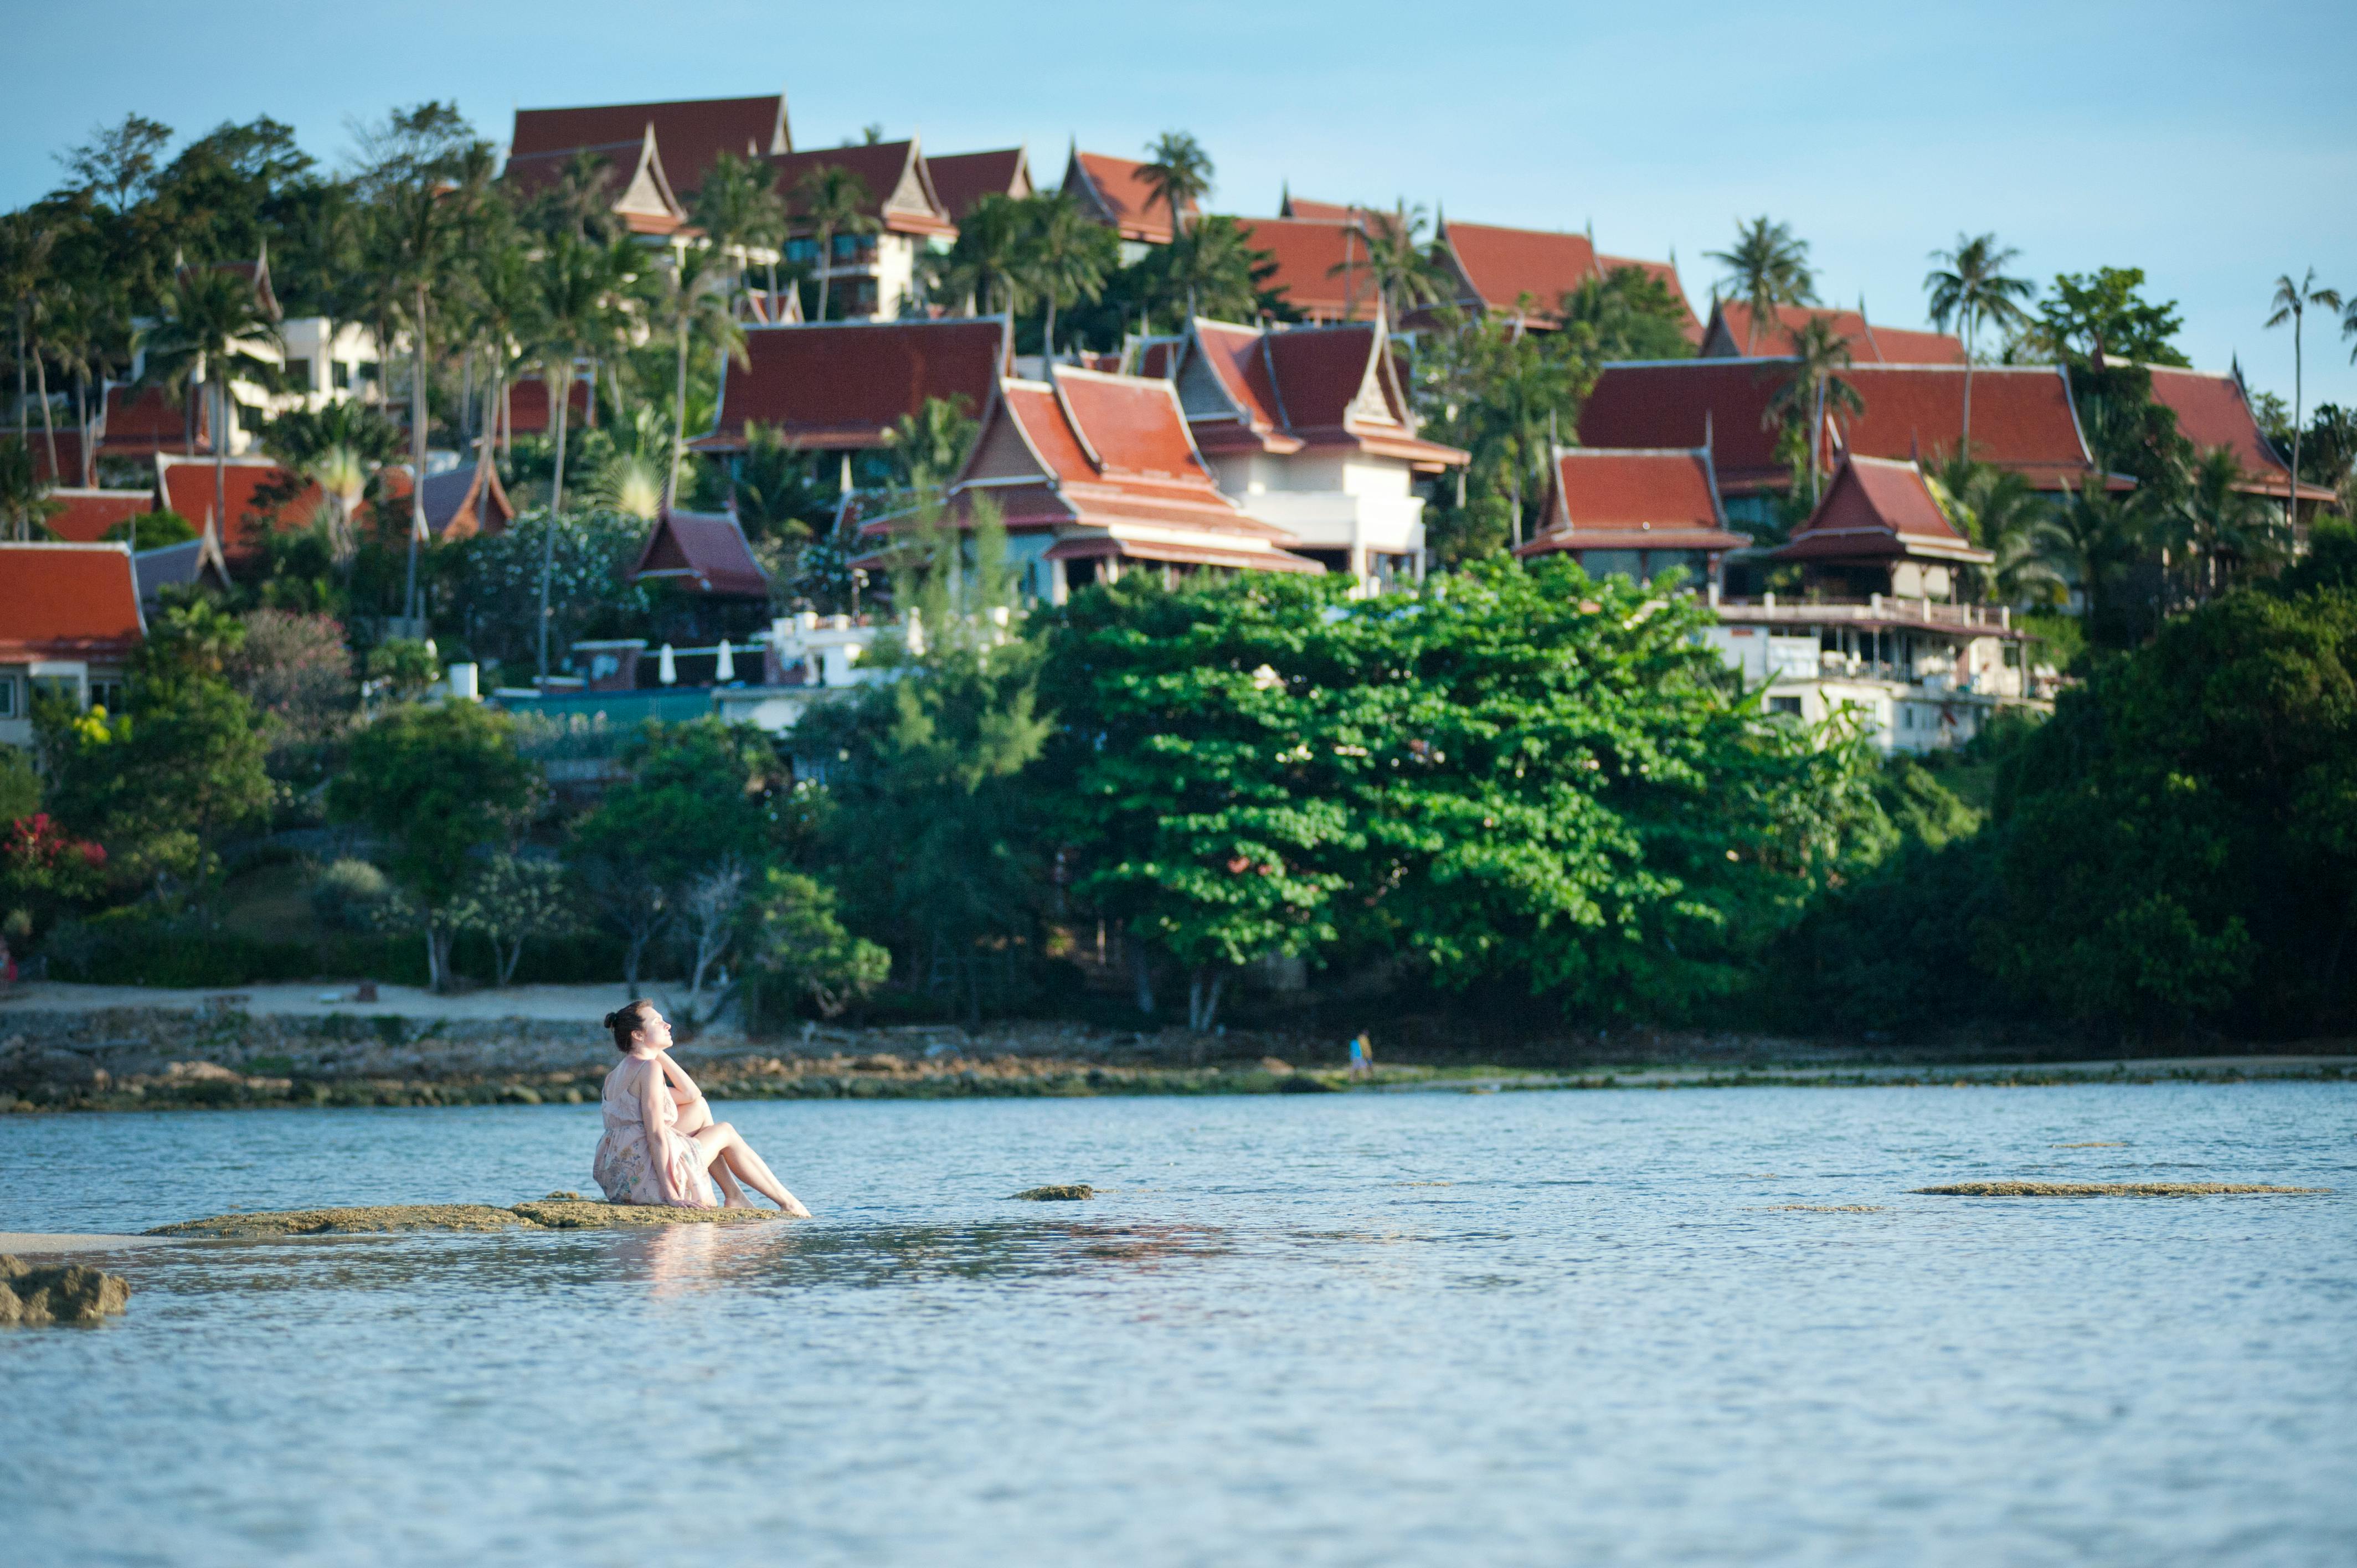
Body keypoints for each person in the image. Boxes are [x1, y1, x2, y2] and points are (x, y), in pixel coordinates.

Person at [593, 999, 810, 1215]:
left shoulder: (615, 1076)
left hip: (621, 1180)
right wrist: (672, 1196)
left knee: (700, 1107)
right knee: (725, 1131)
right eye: (658, 1022)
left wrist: (656, 1050)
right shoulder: (649, 1069)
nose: (667, 1025)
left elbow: (691, 1095)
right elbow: (656, 1134)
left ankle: (735, 1196)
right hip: (646, 1180)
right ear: (638, 1035)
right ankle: (789, 1203)